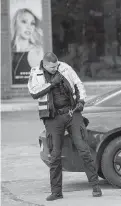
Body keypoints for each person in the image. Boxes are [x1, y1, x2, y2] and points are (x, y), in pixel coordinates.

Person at [27, 52, 102, 201]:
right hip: (52, 118)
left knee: (83, 149)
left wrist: (81, 101)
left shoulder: (65, 68)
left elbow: (78, 84)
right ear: (45, 64)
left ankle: (95, 186)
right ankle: (56, 192)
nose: (55, 68)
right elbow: (33, 92)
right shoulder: (36, 73)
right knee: (55, 155)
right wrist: (52, 83)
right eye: (52, 67)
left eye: (56, 65)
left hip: (71, 113)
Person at [11, 8, 44, 84]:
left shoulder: (37, 51)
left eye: (32, 23)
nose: (29, 27)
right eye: (24, 22)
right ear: (15, 23)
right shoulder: (7, 49)